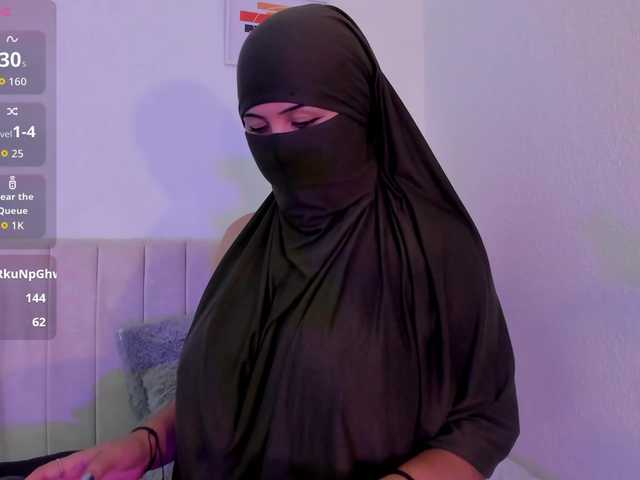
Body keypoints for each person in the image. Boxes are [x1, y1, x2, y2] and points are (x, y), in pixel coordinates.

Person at [26, 4, 519, 479]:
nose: (281, 145)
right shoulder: (241, 242)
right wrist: (143, 445)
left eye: (303, 123)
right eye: (256, 127)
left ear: (361, 109)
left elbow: (483, 423)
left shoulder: (434, 248)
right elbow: (221, 399)